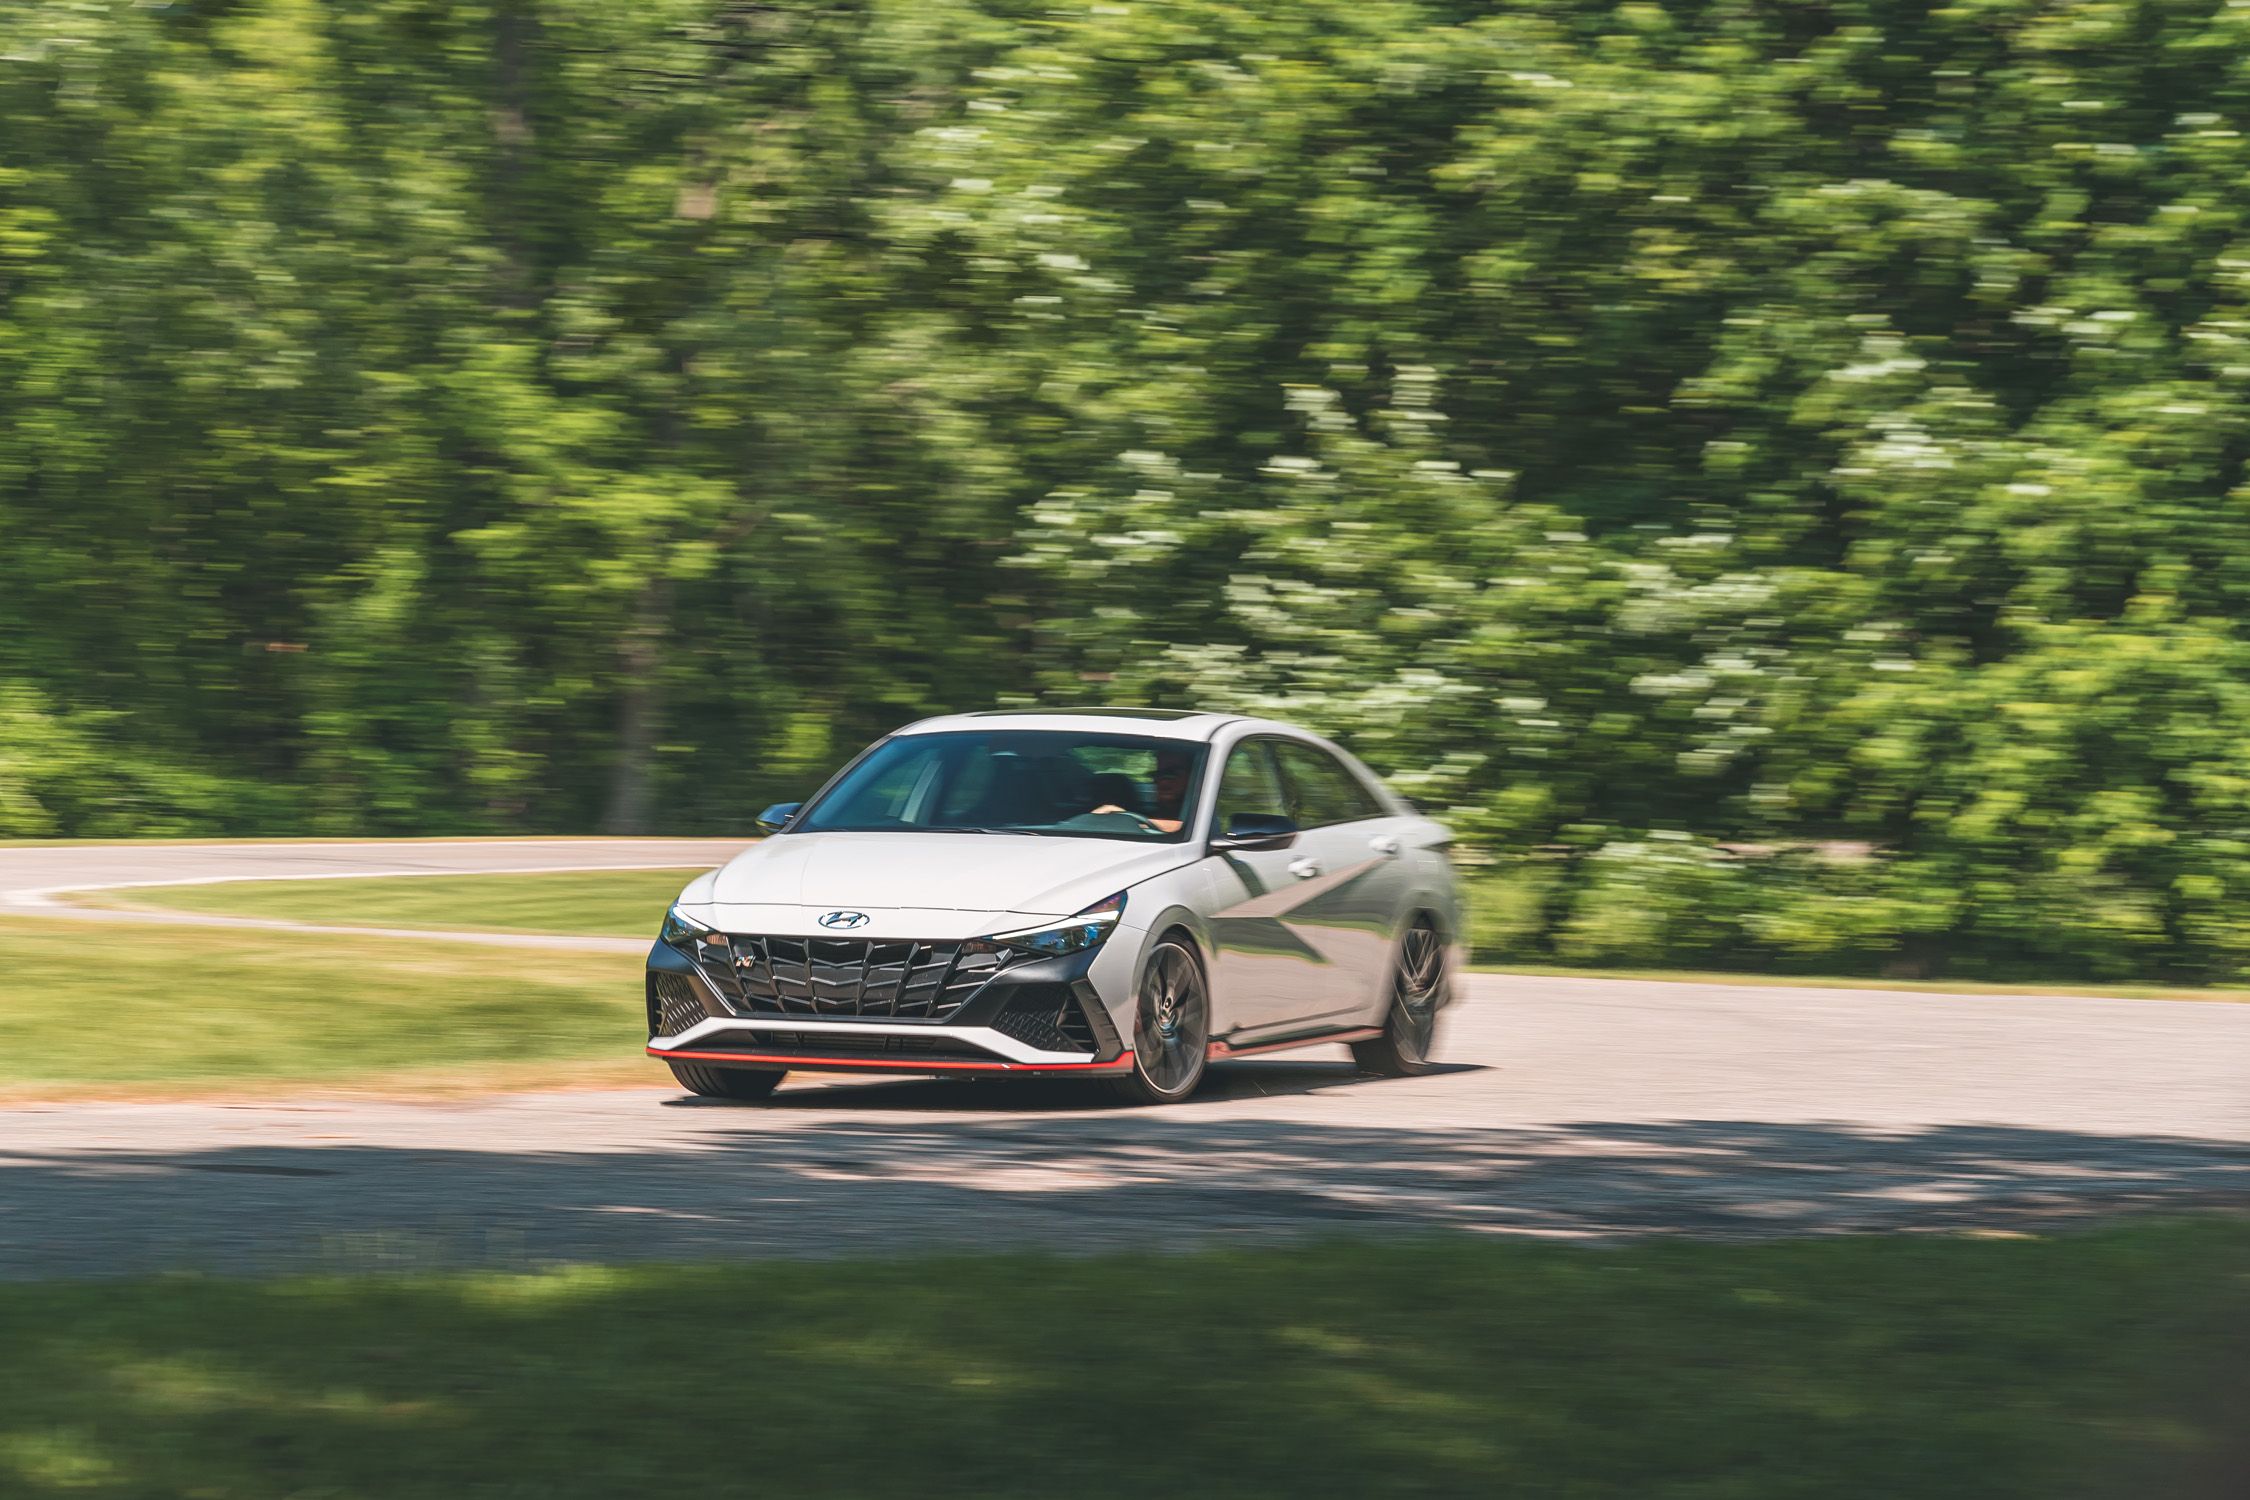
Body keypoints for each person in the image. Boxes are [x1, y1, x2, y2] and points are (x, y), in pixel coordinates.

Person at [1091, 747, 1194, 834]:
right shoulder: (1157, 813)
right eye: (1158, 774)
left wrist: (1126, 820)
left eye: (1172, 773)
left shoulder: (1203, 810)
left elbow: (1189, 827)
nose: (1163, 780)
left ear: (1193, 776)